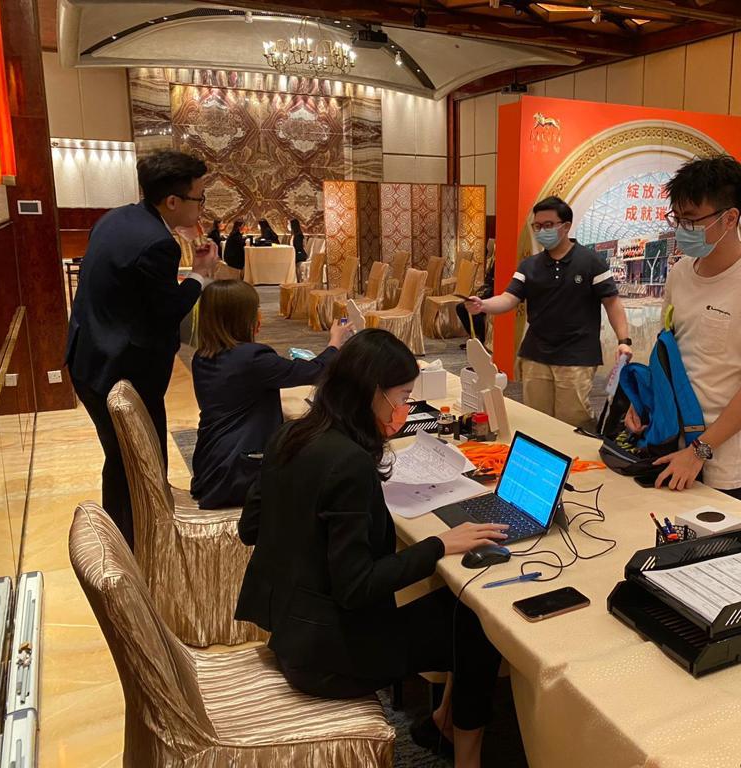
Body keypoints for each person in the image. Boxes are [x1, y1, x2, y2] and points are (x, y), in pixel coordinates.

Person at [235, 329, 505, 767]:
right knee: (478, 626)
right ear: (374, 392)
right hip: (328, 656)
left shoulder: (291, 435)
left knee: (458, 608)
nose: (405, 409)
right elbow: (356, 588)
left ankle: (443, 721)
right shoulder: (349, 462)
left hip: (289, 627)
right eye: (403, 396)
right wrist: (439, 544)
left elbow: (250, 528)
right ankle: (465, 754)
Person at [65, 150, 217, 547]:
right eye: (199, 198)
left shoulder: (115, 219)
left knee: (122, 460)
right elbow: (167, 312)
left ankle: (127, 540)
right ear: (173, 201)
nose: (202, 206)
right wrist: (200, 275)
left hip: (88, 357)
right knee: (139, 462)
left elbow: (134, 294)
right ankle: (138, 547)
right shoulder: (157, 244)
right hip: (121, 371)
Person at [626, 155, 741, 504]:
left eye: (691, 219)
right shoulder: (680, 274)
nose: (681, 229)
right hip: (670, 440)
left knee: (709, 537)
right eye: (677, 218)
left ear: (729, 218)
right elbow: (668, 348)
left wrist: (699, 451)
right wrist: (643, 402)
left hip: (724, 459)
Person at [464, 197, 632, 428]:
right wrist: (483, 305)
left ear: (566, 226)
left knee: (573, 420)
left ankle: (576, 453)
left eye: (548, 225)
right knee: (537, 419)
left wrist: (624, 341)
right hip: (536, 353)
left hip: (577, 355)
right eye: (537, 226)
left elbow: (612, 302)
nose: (542, 231)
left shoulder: (591, 262)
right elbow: (509, 298)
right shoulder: (529, 265)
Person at [190, 280, 351, 509]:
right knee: (327, 466)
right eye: (256, 309)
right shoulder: (252, 359)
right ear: (244, 317)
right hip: (239, 470)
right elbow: (315, 371)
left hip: (210, 464)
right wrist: (335, 341)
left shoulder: (201, 357)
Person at [456, 243, 494, 349]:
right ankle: (473, 337)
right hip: (488, 291)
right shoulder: (494, 261)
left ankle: (480, 339)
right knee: (461, 307)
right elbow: (488, 279)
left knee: (477, 309)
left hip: (496, 295)